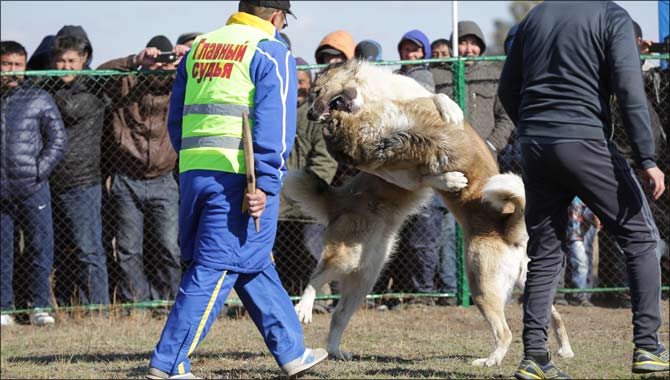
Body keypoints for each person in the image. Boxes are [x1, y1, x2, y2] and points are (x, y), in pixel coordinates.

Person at [147, 1, 327, 378]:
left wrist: (192, 162)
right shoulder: (271, 50)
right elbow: (274, 125)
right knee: (213, 269)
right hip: (240, 178)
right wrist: (264, 182)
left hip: (195, 170)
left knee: (253, 261)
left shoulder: (199, 46)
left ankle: (292, 352)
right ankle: (168, 363)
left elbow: (176, 116)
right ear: (277, 18)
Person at [498, 1, 668, 378]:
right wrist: (647, 157)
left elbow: (508, 87)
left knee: (545, 251)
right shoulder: (612, 16)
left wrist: (533, 127)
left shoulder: (536, 16)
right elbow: (629, 87)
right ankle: (648, 347)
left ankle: (536, 357)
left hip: (535, 145)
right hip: (584, 140)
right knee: (641, 237)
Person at [98, 35, 185, 304]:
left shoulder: (182, 86)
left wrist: (189, 59)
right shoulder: (127, 83)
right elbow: (97, 75)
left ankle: (168, 301)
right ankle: (137, 302)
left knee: (169, 247)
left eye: (165, 61)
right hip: (127, 179)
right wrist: (135, 60)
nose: (160, 66)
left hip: (164, 179)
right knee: (128, 248)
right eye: (156, 61)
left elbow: (212, 79)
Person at [1, 41, 67, 326]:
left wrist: (39, 170)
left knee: (41, 247)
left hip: (33, 187)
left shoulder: (39, 97)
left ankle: (39, 307)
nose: (12, 71)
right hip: (2, 191)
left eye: (18, 65)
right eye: (7, 64)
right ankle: (5, 308)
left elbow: (58, 139)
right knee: (3, 251)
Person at [47, 35, 110, 308]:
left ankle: (98, 307)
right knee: (60, 249)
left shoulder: (94, 88)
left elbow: (71, 110)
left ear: (84, 59)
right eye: (60, 61)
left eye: (72, 60)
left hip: (83, 181)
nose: (65, 66)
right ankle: (67, 302)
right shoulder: (47, 86)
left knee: (89, 249)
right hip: (50, 181)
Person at [274, 56, 338, 304]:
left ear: (310, 84)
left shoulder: (317, 116)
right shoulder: (276, 112)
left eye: (302, 81)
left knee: (313, 251)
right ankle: (285, 299)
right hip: (278, 201)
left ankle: (320, 301)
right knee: (282, 254)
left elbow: (325, 160)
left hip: (308, 199)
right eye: (294, 81)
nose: (298, 86)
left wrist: (308, 190)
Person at [430, 20, 515, 160]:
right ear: (452, 46)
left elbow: (506, 116)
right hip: (448, 155)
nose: (469, 49)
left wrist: (491, 145)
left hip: (485, 157)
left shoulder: (493, 75)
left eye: (474, 43)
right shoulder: (436, 76)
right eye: (463, 43)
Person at [564, 197, 599, 307]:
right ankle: (579, 295)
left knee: (587, 261)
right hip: (574, 232)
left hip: (587, 230)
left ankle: (584, 294)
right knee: (581, 262)